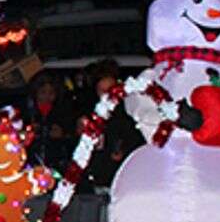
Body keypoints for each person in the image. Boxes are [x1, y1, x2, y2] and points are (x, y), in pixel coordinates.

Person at [83, 59, 141, 190]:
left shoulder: (127, 110)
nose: (106, 96)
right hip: (94, 179)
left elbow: (136, 138)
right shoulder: (87, 110)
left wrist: (123, 150)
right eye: (102, 91)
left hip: (121, 178)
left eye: (110, 91)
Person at [21, 72, 75, 168]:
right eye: (43, 92)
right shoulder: (25, 110)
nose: (47, 97)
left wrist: (62, 134)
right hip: (29, 161)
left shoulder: (62, 110)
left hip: (54, 161)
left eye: (51, 93)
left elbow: (70, 135)